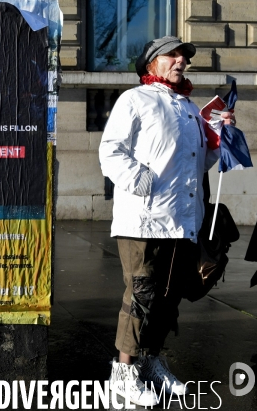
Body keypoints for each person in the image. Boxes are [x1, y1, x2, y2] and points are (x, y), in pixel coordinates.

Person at [99, 36, 236, 406]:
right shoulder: (135, 100)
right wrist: (138, 180)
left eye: (183, 57)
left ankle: (151, 362)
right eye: (172, 55)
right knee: (141, 295)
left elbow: (198, 164)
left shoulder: (190, 109)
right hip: (143, 220)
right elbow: (110, 150)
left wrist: (218, 135)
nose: (180, 61)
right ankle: (123, 373)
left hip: (182, 220)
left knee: (168, 298)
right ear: (151, 64)